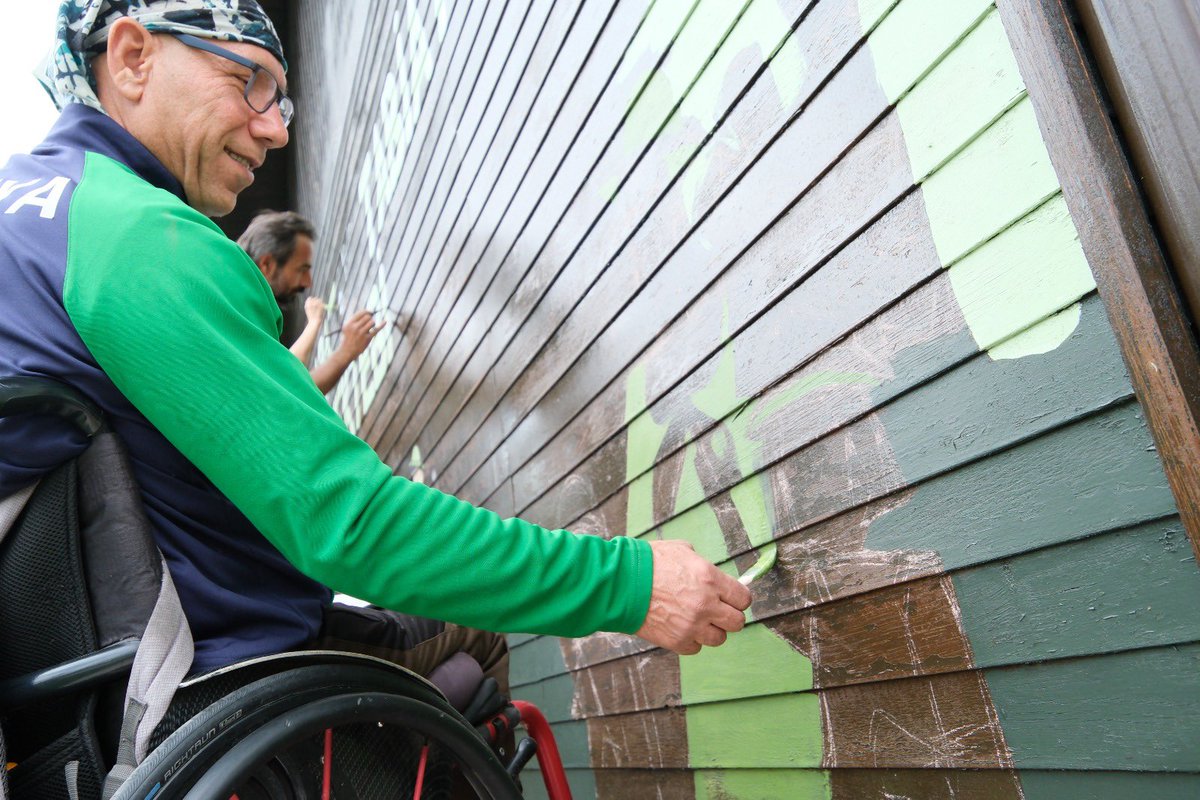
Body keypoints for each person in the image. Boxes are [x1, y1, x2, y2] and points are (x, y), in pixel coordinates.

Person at [0, 0, 750, 694]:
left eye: (282, 97)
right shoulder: (135, 236)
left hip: (87, 704)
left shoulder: (29, 218)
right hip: (228, 679)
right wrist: (630, 584)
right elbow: (350, 522)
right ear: (133, 57)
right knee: (473, 638)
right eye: (250, 81)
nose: (276, 128)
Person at [236, 210, 382, 394]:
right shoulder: (236, 310)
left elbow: (294, 392)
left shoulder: (250, 309)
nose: (307, 282)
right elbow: (284, 386)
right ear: (267, 265)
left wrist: (347, 350)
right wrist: (315, 324)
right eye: (302, 269)